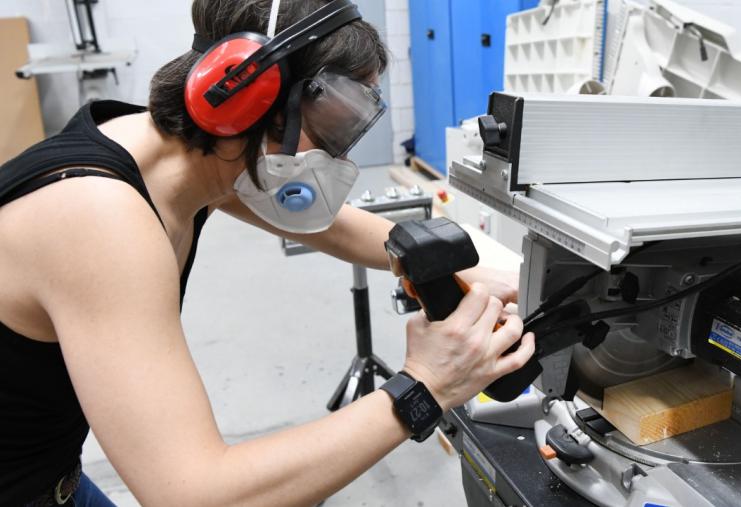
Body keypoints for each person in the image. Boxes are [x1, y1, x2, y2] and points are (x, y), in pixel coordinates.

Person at [0, 0, 535, 505]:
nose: (336, 149)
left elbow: (332, 227)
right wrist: (426, 385)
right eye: (329, 119)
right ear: (242, 93)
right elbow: (194, 493)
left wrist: (464, 259)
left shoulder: (172, 154)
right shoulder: (99, 220)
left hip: (51, 474)